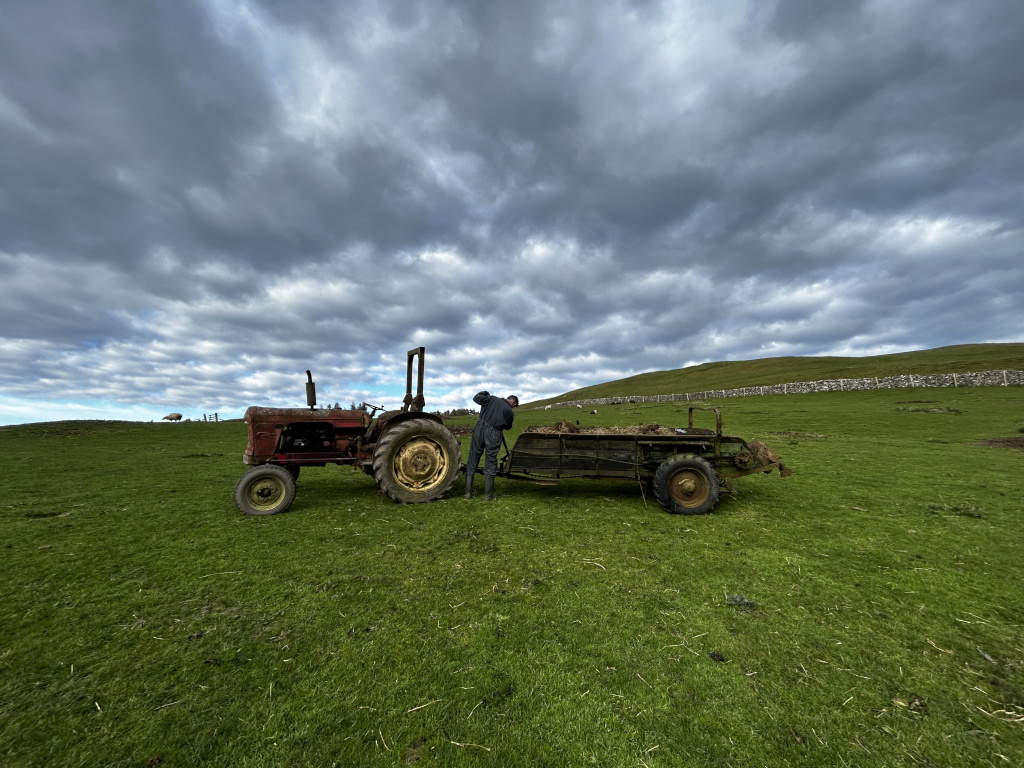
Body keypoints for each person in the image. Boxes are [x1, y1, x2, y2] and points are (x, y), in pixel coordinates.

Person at [465, 391, 518, 500]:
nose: (513, 408)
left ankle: (467, 493)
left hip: (479, 429)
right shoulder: (509, 411)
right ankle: (488, 495)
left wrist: (484, 393)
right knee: (490, 461)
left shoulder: (492, 399)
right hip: (494, 433)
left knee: (473, 458)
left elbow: (476, 398)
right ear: (513, 403)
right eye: (514, 406)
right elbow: (508, 427)